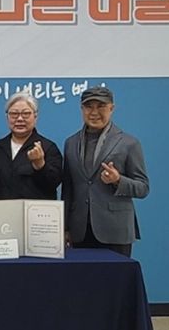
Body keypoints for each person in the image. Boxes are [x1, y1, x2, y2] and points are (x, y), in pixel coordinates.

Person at [62, 86, 149, 257]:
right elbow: (68, 190)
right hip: (79, 232)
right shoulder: (70, 143)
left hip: (115, 231)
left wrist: (118, 180)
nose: (94, 112)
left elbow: (143, 187)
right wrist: (65, 227)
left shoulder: (129, 143)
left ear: (111, 108)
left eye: (101, 106)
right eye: (89, 106)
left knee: (115, 276)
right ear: (82, 109)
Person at [0, 91, 62, 201]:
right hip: (1, 210)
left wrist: (40, 165)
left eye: (26, 114)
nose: (20, 119)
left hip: (35, 210)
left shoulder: (48, 148)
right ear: (7, 117)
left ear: (35, 117)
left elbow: (54, 182)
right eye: (14, 114)